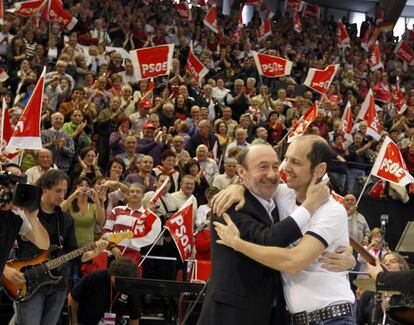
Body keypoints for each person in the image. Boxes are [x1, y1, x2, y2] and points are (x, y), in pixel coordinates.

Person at [209, 138, 357, 324]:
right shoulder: (282, 193)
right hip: (295, 318)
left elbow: (294, 261)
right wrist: (237, 186)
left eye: (296, 162)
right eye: (286, 159)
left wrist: (238, 244)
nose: (284, 168)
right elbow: (255, 184)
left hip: (333, 317)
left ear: (319, 169)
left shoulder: (331, 210)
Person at [15, 170, 107, 325]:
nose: (62, 196)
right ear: (44, 188)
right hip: (29, 280)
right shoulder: (26, 213)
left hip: (58, 283)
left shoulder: (66, 219)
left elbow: (72, 252)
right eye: (58, 191)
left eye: (65, 191)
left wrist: (92, 253)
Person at [0, 163, 50, 281]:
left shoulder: (17, 216)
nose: (12, 190)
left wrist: (33, 219)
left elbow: (44, 244)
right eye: (8, 184)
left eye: (16, 186)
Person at [68, 257, 141, 325]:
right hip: (86, 321)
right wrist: (74, 322)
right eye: (118, 281)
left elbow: (134, 316)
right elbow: (72, 297)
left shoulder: (130, 286)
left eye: (124, 282)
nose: (121, 285)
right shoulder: (96, 277)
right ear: (112, 274)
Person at [358, 252, 411, 324]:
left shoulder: (409, 296)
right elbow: (358, 321)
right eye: (384, 262)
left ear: (402, 270)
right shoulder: (368, 295)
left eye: (392, 261)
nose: (387, 263)